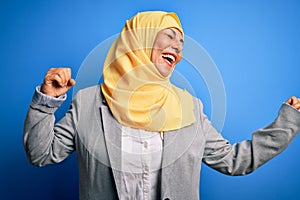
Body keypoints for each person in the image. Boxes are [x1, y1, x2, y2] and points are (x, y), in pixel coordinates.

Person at [23, 11, 300, 200]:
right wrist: (47, 102)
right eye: (170, 36)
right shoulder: (88, 102)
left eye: (181, 43)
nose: (178, 48)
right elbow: (41, 154)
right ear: (138, 40)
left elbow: (234, 161)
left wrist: (287, 123)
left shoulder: (189, 107)